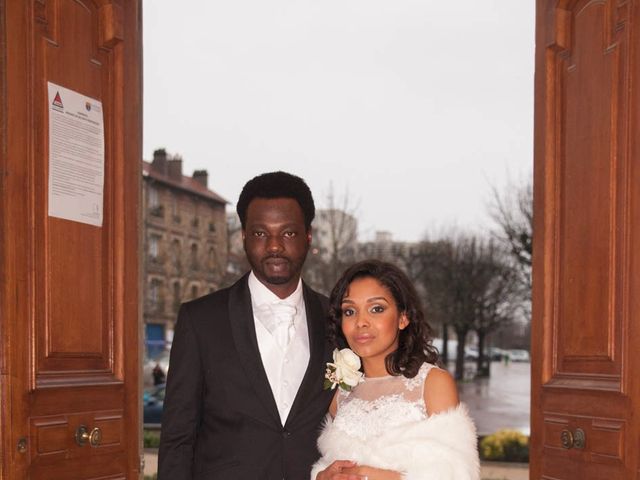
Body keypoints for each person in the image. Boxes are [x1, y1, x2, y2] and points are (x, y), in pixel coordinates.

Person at [158, 171, 335, 479]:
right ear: (243, 236)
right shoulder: (200, 320)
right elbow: (177, 437)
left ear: (308, 235)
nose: (275, 246)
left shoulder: (336, 319)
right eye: (260, 233)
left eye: (289, 233)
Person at [312, 260, 480, 480]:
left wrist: (380, 477)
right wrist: (322, 477)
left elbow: (459, 473)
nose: (361, 321)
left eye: (376, 309)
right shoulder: (340, 392)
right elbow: (327, 463)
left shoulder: (432, 383)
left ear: (403, 318)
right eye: (350, 311)